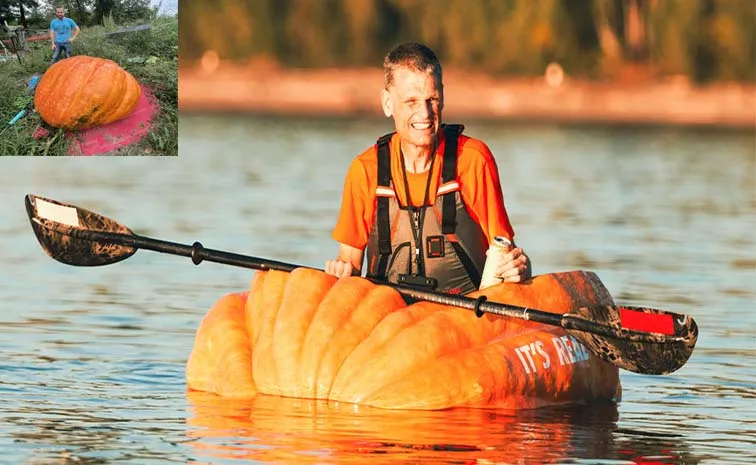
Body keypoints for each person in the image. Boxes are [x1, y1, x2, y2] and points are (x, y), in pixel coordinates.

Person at [325, 42, 531, 295]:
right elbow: (350, 264)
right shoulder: (364, 170)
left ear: (442, 97)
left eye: (432, 99)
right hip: (389, 320)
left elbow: (507, 253)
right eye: (411, 101)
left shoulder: (474, 160)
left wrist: (520, 268)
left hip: (467, 320)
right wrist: (341, 273)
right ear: (388, 103)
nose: (424, 113)